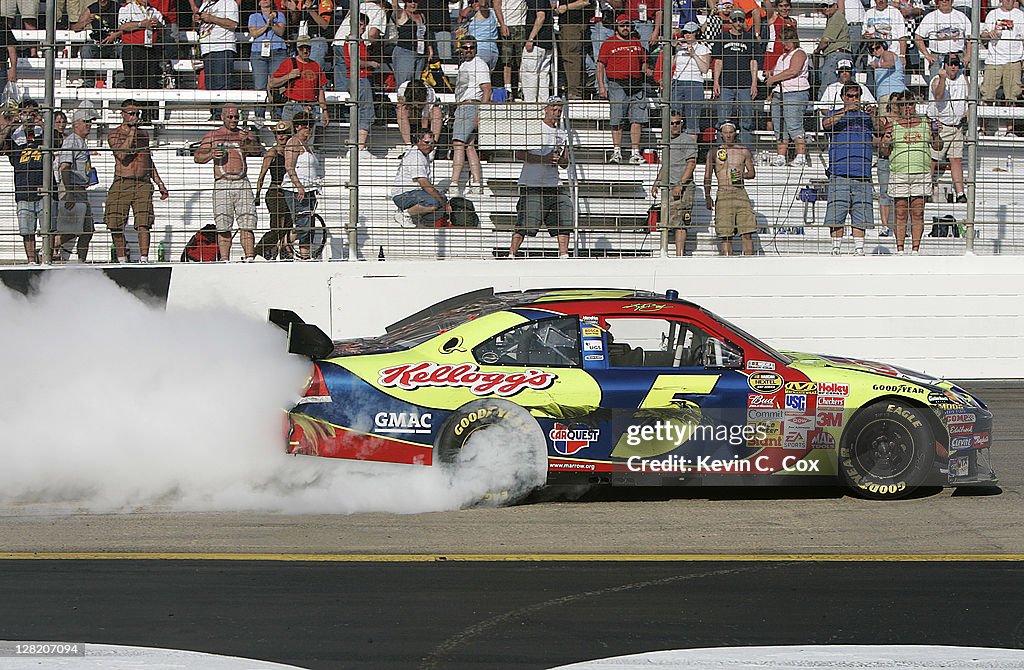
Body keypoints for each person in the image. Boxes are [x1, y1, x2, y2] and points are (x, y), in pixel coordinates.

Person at [194, 105, 264, 261]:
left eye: (235, 117)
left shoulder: (244, 134)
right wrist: (211, 154)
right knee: (223, 224)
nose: (233, 120)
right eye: (230, 117)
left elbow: (256, 150)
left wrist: (247, 142)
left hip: (242, 182)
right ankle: (225, 259)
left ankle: (249, 257)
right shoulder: (213, 135)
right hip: (222, 182)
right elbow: (197, 156)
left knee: (247, 223)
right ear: (222, 117)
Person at [105, 99, 169, 264]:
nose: (135, 117)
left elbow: (147, 159)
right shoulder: (114, 134)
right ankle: (121, 258)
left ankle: (144, 258)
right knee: (115, 222)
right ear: (123, 114)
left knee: (144, 221)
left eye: (137, 114)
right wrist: (132, 132)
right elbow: (122, 154)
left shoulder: (144, 135)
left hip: (142, 181)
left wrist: (159, 182)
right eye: (132, 114)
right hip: (122, 181)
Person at [511, 96, 572, 258]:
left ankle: (564, 254)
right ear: (545, 108)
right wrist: (543, 159)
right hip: (532, 182)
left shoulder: (562, 133)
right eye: (554, 109)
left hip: (554, 182)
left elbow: (566, 163)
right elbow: (519, 154)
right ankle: (512, 253)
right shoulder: (534, 128)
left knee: (564, 214)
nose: (557, 113)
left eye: (560, 110)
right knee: (526, 220)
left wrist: (560, 160)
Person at [880, 94, 942, 254]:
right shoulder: (892, 126)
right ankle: (900, 249)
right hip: (899, 173)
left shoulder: (926, 123)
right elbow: (884, 152)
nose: (907, 108)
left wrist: (936, 134)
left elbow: (938, 147)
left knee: (918, 212)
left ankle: (915, 249)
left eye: (911, 104)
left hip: (921, 172)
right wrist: (885, 142)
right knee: (900, 211)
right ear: (898, 107)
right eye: (903, 105)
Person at [822, 82, 877, 255]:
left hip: (863, 173)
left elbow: (881, 130)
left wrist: (874, 115)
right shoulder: (834, 114)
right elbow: (826, 124)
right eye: (850, 96)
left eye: (856, 96)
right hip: (840, 173)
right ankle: (835, 249)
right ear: (843, 97)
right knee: (837, 213)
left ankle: (859, 249)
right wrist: (846, 110)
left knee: (861, 214)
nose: (853, 99)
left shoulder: (867, 117)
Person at [597, 14, 649, 165]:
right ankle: (617, 152)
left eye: (628, 25)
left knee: (637, 119)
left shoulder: (637, 42)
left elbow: (644, 62)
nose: (626, 28)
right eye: (623, 25)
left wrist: (647, 71)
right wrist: (601, 86)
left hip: (637, 84)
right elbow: (600, 66)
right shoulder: (608, 43)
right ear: (617, 27)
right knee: (617, 119)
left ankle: (635, 153)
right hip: (617, 84)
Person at [1, 99, 45, 263]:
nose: (28, 117)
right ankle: (31, 260)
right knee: (27, 230)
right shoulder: (14, 135)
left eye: (32, 112)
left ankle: (48, 257)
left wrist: (41, 122)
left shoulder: (43, 133)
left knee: (49, 229)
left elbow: (57, 142)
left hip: (45, 188)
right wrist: (11, 123)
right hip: (23, 188)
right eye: (25, 112)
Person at [704, 120, 756, 256]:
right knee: (725, 235)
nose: (728, 136)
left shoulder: (743, 151)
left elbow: (752, 173)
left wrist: (743, 175)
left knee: (747, 233)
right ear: (721, 134)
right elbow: (707, 176)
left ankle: (749, 263)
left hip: (740, 192)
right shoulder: (713, 152)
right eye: (725, 133)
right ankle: (728, 264)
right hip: (723, 193)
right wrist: (707, 196)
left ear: (735, 133)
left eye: (731, 133)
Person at [651, 112, 698, 256]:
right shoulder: (665, 141)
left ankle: (679, 255)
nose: (675, 125)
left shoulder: (687, 140)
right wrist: (656, 182)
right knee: (669, 221)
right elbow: (665, 165)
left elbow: (691, 164)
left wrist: (681, 184)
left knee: (680, 223)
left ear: (682, 123)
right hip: (668, 187)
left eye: (678, 122)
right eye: (672, 123)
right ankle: (665, 252)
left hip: (681, 187)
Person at [55, 108, 99, 263]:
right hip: (73, 188)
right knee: (72, 230)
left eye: (90, 122)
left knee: (87, 230)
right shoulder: (72, 141)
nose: (89, 125)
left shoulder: (80, 142)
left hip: (80, 189)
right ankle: (46, 250)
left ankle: (81, 262)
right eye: (85, 122)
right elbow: (65, 167)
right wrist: (69, 193)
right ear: (76, 124)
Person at [712, 8, 758, 149]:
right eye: (735, 19)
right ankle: (722, 151)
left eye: (741, 19)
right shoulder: (722, 37)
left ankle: (746, 152)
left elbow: (753, 62)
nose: (738, 23)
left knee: (747, 120)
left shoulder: (750, 38)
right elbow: (718, 62)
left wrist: (754, 83)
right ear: (730, 21)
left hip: (745, 84)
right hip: (726, 84)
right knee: (723, 120)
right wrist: (716, 82)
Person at [764, 25, 810, 167]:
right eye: (783, 40)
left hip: (794, 92)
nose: (785, 43)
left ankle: (801, 155)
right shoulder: (782, 56)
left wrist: (773, 78)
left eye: (788, 39)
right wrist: (770, 75)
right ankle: (781, 156)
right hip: (779, 93)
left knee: (794, 124)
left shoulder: (799, 53)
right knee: (779, 126)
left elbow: (793, 71)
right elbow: (778, 72)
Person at [451, 35, 491, 195]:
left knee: (458, 144)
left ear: (476, 48)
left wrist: (482, 113)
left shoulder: (479, 64)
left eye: (471, 47)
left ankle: (454, 183)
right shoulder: (465, 65)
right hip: (463, 105)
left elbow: (487, 89)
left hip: (470, 105)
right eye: (465, 47)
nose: (468, 50)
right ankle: (476, 183)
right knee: (469, 146)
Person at [927, 53, 968, 202]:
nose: (953, 67)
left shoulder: (963, 79)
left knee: (956, 159)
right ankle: (927, 189)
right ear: (945, 65)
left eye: (956, 64)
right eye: (951, 64)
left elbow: (969, 99)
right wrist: (943, 78)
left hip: (957, 125)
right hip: (941, 126)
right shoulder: (937, 80)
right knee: (933, 159)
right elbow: (938, 95)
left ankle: (960, 193)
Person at [980, 0, 1024, 135]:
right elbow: (983, 35)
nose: (1008, 1)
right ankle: (982, 127)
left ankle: (1009, 129)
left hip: (1014, 59)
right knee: (987, 95)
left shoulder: (1020, 15)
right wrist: (989, 34)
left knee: (1012, 96)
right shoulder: (992, 14)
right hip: (994, 59)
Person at [269, 35, 330, 131]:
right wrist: (288, 76)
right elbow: (272, 83)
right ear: (297, 48)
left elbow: (320, 89)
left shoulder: (315, 65)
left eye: (308, 48)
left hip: (310, 108)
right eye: (302, 48)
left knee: (306, 140)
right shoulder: (289, 63)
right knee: (288, 138)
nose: (305, 51)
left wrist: (324, 110)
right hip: (292, 106)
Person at [283, 112, 322, 259]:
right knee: (304, 224)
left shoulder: (307, 146)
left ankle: (305, 257)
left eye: (311, 126)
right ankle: (283, 245)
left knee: (309, 225)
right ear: (297, 127)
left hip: (310, 189)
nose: (309, 130)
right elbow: (289, 166)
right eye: (306, 126)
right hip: (296, 190)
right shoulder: (293, 142)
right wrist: (299, 186)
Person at [118, 0, 165, 120]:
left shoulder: (154, 10)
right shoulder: (127, 8)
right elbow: (122, 26)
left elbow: (163, 28)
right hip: (133, 49)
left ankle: (147, 117)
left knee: (150, 84)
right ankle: (131, 116)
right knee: (132, 84)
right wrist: (141, 24)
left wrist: (157, 24)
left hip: (150, 49)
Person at [392, 130, 450, 227]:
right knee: (435, 202)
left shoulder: (421, 154)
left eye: (432, 143)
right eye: (426, 142)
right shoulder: (416, 156)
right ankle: (405, 214)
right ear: (418, 141)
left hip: (412, 193)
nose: (429, 146)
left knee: (442, 198)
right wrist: (442, 202)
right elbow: (424, 183)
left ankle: (418, 215)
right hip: (403, 195)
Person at [254, 119, 294, 259]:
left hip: (289, 193)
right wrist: (257, 194)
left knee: (288, 225)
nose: (281, 136)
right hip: (275, 192)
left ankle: (283, 252)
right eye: (278, 134)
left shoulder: (292, 151)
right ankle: (258, 251)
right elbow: (262, 174)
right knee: (277, 227)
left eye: (283, 133)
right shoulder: (272, 153)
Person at [343, 13, 378, 155]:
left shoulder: (359, 41)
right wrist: (370, 63)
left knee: (363, 110)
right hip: (359, 78)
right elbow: (353, 61)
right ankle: (360, 146)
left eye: (364, 25)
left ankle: (358, 145)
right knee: (366, 110)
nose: (363, 28)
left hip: (362, 77)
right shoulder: (352, 41)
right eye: (360, 24)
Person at [248, 0, 289, 120]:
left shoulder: (280, 15)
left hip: (278, 52)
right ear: (259, 3)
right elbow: (254, 34)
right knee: (260, 85)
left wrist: (272, 23)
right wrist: (267, 25)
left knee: (277, 84)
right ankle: (259, 116)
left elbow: (281, 31)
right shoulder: (254, 16)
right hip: (258, 53)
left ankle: (277, 115)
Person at [668, 22, 710, 135]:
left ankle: (691, 147)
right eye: (685, 33)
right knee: (674, 114)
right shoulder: (679, 48)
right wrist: (673, 50)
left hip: (695, 83)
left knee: (693, 116)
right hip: (678, 81)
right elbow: (670, 65)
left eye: (690, 33)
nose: (687, 35)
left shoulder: (703, 48)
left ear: (696, 33)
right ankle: (674, 141)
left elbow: (705, 69)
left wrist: (694, 55)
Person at [71, 0, 122, 87]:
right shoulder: (91, 9)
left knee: (123, 48)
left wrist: (115, 35)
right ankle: (88, 82)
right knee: (86, 49)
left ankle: (120, 82)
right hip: (98, 44)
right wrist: (86, 21)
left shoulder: (118, 8)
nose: (102, 1)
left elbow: (125, 28)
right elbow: (75, 28)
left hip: (114, 42)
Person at [914, 0, 969, 78]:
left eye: (947, 0)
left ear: (952, 1)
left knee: (958, 85)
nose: (944, 1)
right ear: (937, 2)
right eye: (941, 0)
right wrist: (927, 54)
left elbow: (970, 37)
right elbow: (918, 36)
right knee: (936, 85)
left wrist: (968, 56)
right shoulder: (930, 17)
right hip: (937, 57)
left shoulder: (961, 16)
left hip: (957, 57)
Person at [554, 0, 592, 99]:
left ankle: (574, 91)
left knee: (571, 57)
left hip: (573, 23)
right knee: (568, 57)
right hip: (567, 23)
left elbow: (586, 1)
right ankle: (571, 89)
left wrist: (566, 7)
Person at [815, 0, 852, 97]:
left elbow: (826, 40)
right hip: (840, 54)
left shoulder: (836, 17)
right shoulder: (834, 17)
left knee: (828, 88)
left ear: (835, 5)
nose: (826, 8)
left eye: (829, 5)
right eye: (824, 6)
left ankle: (823, 108)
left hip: (836, 55)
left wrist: (817, 50)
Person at [392, 0, 432, 88]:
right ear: (405, 3)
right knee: (404, 84)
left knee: (417, 84)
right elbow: (395, 6)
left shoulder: (422, 16)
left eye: (416, 1)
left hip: (420, 53)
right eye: (410, 1)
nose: (413, 4)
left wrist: (429, 49)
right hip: (405, 52)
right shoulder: (402, 14)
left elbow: (426, 34)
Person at [520, 0, 554, 101]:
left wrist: (531, 38)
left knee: (529, 75)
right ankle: (543, 106)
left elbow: (540, 16)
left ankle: (530, 108)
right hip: (546, 43)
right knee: (543, 75)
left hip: (536, 44)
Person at [495, 0, 529, 98]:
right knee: (507, 60)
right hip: (507, 24)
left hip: (521, 24)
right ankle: (508, 89)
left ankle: (521, 88)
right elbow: (496, 5)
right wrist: (502, 24)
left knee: (521, 59)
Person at [397, 78, 444, 146]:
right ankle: (408, 145)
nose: (416, 105)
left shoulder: (430, 93)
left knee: (436, 111)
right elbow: (400, 105)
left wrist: (423, 137)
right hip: (411, 114)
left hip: (427, 115)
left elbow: (425, 118)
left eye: (419, 104)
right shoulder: (402, 89)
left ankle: (432, 145)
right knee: (401, 111)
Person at [865, 40, 903, 114]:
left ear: (883, 46)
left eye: (877, 47)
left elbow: (890, 63)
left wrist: (878, 65)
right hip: (888, 94)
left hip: (890, 94)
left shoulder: (886, 53)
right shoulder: (877, 60)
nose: (875, 51)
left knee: (887, 121)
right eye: (872, 49)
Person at [461, 0, 500, 70]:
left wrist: (469, 8)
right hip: (484, 50)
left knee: (477, 78)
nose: (473, 4)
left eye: (476, 1)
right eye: (471, 2)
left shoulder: (486, 12)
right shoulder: (473, 16)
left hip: (483, 50)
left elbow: (483, 4)